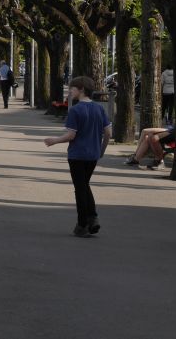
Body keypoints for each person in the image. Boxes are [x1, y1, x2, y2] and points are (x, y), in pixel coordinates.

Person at [44, 76, 112, 237]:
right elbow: (108, 132)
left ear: (81, 90)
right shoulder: (99, 109)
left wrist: (54, 141)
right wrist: (101, 150)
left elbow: (71, 135)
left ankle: (82, 224)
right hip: (93, 155)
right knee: (85, 185)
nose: (69, 92)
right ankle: (92, 218)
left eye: (72, 89)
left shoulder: (75, 110)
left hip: (77, 155)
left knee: (80, 189)